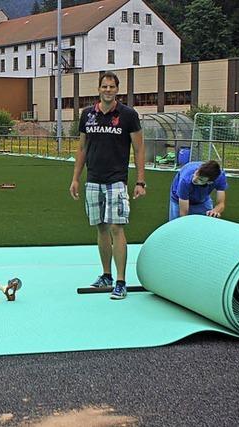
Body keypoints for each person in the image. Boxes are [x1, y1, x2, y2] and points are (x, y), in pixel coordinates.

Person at [69, 71, 146, 300]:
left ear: (117, 90)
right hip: (93, 179)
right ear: (99, 89)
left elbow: (139, 148)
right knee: (101, 227)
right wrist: (75, 178)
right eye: (105, 86)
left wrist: (140, 180)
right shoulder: (87, 115)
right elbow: (82, 148)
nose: (108, 90)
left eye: (112, 87)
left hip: (116, 180)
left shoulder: (128, 115)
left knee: (116, 227)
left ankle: (121, 281)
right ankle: (106, 275)